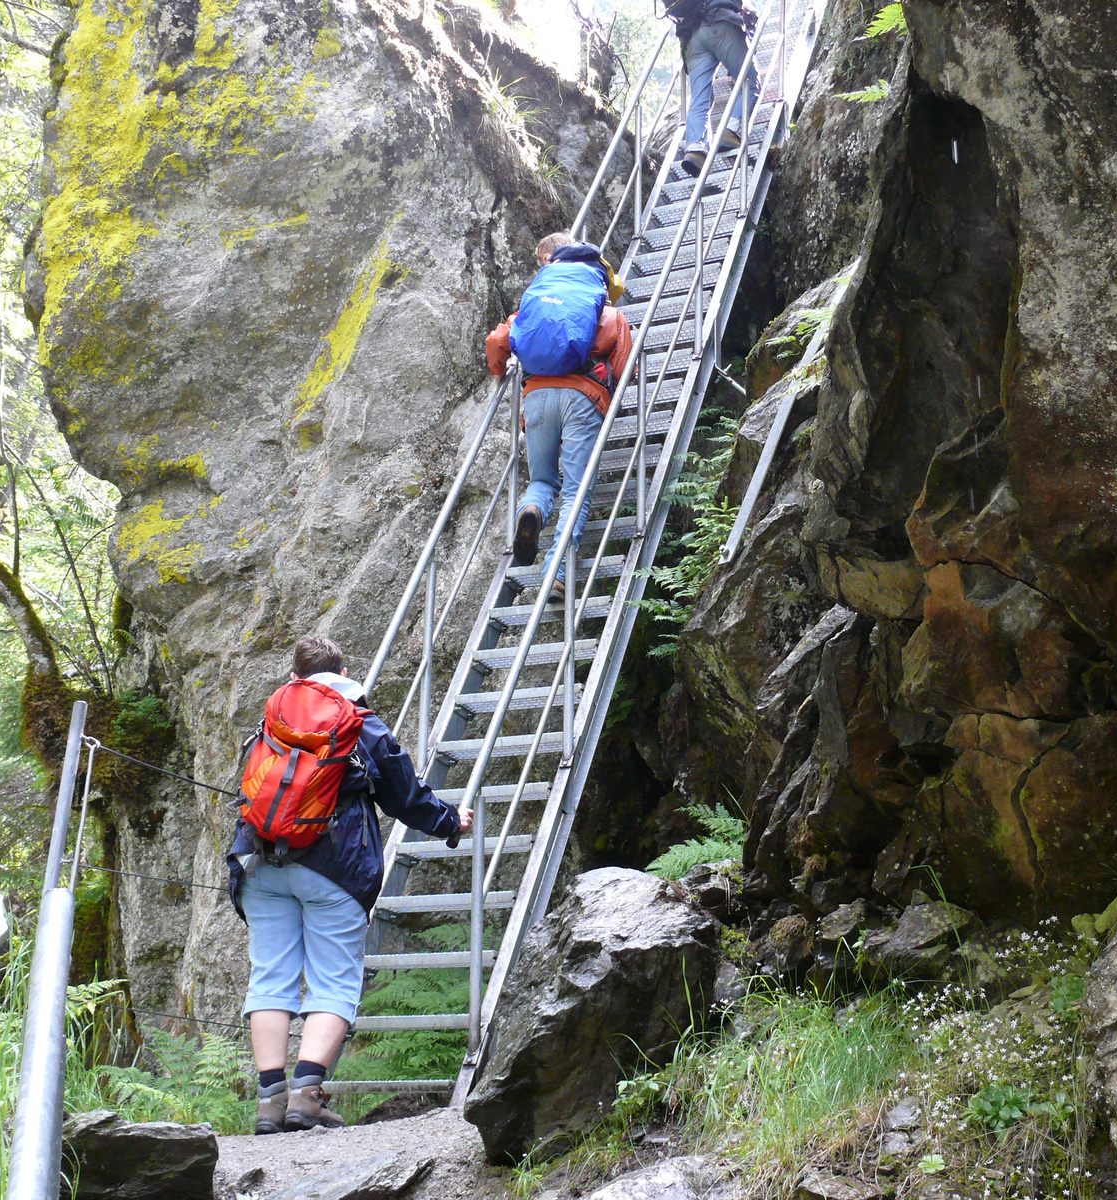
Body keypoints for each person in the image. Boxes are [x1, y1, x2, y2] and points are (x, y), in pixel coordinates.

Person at [226, 635, 473, 1134]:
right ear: (343, 670)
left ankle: (269, 1101)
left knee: (270, 976)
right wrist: (451, 822)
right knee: (334, 980)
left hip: (260, 860)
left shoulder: (270, 722)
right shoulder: (358, 723)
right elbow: (404, 796)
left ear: (296, 674)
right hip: (334, 866)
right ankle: (307, 1096)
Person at [486, 231, 633, 602]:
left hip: (535, 396)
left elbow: (497, 341)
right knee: (576, 491)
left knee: (543, 480)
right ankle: (557, 573)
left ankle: (532, 509)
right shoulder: (608, 312)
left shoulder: (535, 305)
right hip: (582, 397)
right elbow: (623, 368)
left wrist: (498, 371)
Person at [664, 0, 760, 177]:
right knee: (749, 81)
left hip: (691, 38)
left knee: (700, 98)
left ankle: (695, 149)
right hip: (721, 23)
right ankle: (730, 130)